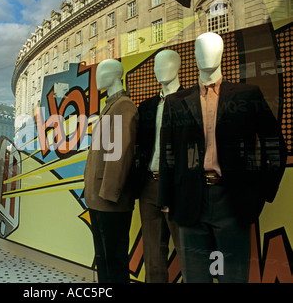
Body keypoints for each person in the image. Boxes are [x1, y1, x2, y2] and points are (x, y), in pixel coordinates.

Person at [158, 32, 287, 283]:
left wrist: (262, 193)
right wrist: (166, 198)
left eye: (214, 48)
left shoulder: (247, 95)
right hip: (189, 201)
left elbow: (274, 145)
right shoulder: (177, 102)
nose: (207, 54)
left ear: (223, 52)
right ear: (193, 56)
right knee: (195, 277)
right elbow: (168, 153)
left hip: (233, 201)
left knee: (233, 277)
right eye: (201, 49)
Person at [84, 59, 138, 283]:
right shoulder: (111, 106)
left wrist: (108, 194)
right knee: (104, 259)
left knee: (113, 261)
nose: (97, 76)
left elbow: (120, 155)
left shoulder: (123, 107)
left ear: (117, 75)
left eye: (103, 71)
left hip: (109, 200)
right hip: (99, 198)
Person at [136, 50, 182, 283]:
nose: (159, 69)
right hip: (149, 185)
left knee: (187, 252)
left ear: (179, 66)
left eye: (167, 63)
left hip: (178, 186)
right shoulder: (146, 106)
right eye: (156, 65)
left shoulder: (190, 100)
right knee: (153, 255)